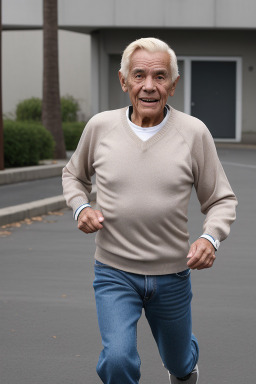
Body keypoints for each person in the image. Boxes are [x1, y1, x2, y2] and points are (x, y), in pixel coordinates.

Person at [62, 37, 237, 384]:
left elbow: (220, 198)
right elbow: (73, 175)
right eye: (139, 75)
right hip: (114, 272)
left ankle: (185, 365)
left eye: (159, 77)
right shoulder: (100, 127)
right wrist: (80, 206)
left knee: (179, 361)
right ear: (124, 80)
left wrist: (210, 238)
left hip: (172, 275)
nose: (148, 86)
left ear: (173, 85)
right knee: (116, 360)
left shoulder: (193, 133)